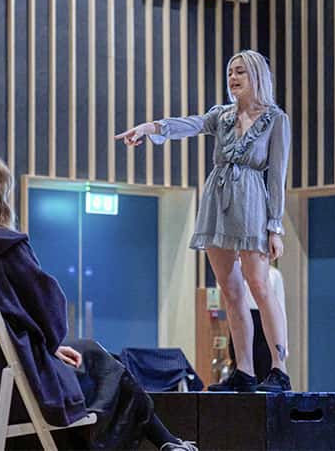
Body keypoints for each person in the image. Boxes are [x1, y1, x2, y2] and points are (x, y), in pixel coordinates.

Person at [0, 151, 197, 451]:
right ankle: (168, 443)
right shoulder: (5, 247)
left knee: (91, 360)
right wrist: (44, 345)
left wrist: (39, 346)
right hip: (15, 390)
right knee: (99, 359)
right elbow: (51, 315)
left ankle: (169, 443)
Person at [116, 49, 292, 393]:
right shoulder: (221, 117)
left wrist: (275, 225)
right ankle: (243, 370)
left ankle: (278, 368)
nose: (233, 77)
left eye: (240, 71)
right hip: (218, 202)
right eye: (230, 72)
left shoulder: (275, 119)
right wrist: (149, 127)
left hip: (253, 202)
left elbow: (277, 176)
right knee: (230, 289)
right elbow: (190, 124)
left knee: (259, 285)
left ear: (257, 76)